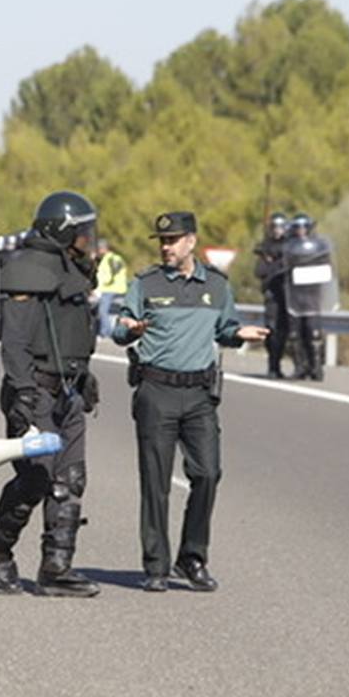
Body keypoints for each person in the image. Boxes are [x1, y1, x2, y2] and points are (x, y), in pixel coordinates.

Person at [112, 211, 268, 593]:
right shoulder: (146, 284)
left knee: (208, 473)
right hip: (156, 392)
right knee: (156, 482)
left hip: (199, 396)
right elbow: (119, 329)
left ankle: (192, 558)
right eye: (163, 241)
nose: (166, 247)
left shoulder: (216, 285)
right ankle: (156, 566)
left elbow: (226, 328)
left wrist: (239, 333)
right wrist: (127, 329)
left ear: (191, 242)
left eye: (173, 240)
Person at [0, 190, 102, 598]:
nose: (88, 238)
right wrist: (24, 395)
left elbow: (68, 332)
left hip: (68, 392)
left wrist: (82, 375)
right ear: (62, 230)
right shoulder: (27, 270)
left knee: (70, 478)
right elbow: (14, 341)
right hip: (35, 394)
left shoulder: (71, 269)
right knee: (36, 476)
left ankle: (56, 569)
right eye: (82, 231)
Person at [285, 213, 331, 381]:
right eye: (298, 227)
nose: (301, 230)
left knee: (314, 333)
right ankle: (300, 367)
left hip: (313, 297)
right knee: (295, 334)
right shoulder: (289, 247)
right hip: (295, 297)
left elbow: (327, 265)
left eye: (304, 227)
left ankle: (317, 367)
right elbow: (284, 266)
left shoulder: (320, 246)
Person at [254, 212, 290, 378]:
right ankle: (272, 365)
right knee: (272, 330)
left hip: (289, 296)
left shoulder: (290, 247)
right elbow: (259, 271)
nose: (278, 230)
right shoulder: (265, 248)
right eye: (274, 227)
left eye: (281, 227)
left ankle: (298, 366)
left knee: (286, 331)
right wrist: (268, 262)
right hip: (272, 296)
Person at [94, 238, 129, 338]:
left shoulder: (109, 258)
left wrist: (101, 285)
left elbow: (110, 274)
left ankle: (106, 332)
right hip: (119, 288)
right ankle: (110, 331)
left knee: (102, 311)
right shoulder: (116, 257)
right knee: (113, 312)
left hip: (110, 288)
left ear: (103, 248)